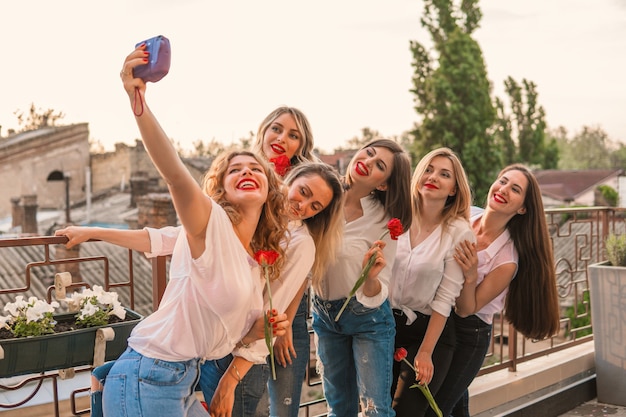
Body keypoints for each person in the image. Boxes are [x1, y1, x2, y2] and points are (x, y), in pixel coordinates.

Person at [56, 44, 290, 417]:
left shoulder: (252, 264)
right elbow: (175, 174)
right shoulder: (209, 224)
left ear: (270, 191)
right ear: (221, 187)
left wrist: (263, 326)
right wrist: (138, 101)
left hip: (182, 377)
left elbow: (227, 335)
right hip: (151, 373)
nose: (247, 171)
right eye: (235, 169)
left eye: (256, 168)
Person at [200, 162, 344, 417]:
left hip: (240, 364)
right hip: (215, 347)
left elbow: (270, 314)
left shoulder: (302, 244)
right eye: (304, 192)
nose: (303, 206)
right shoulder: (256, 216)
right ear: (290, 179)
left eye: (315, 207)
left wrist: (230, 381)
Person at [426, 164, 560, 417]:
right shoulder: (466, 216)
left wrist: (471, 275)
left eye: (515, 189)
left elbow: (466, 309)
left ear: (522, 208)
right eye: (502, 181)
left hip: (469, 334)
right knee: (454, 408)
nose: (503, 189)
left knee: (436, 410)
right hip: (439, 320)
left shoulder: (507, 259)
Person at [311, 138, 413, 417]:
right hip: (324, 315)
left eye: (379, 165)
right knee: (338, 409)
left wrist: (371, 276)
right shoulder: (321, 195)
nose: (367, 161)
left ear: (383, 184)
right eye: (368, 153)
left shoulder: (384, 221)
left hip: (368, 319)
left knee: (374, 412)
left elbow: (380, 288)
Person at [389, 147, 475, 417]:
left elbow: (445, 299)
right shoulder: (396, 216)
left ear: (453, 189)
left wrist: (425, 353)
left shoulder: (459, 233)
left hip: (429, 333)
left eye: (444, 174)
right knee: (375, 407)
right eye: (428, 169)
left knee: (406, 411)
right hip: (383, 326)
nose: (433, 176)